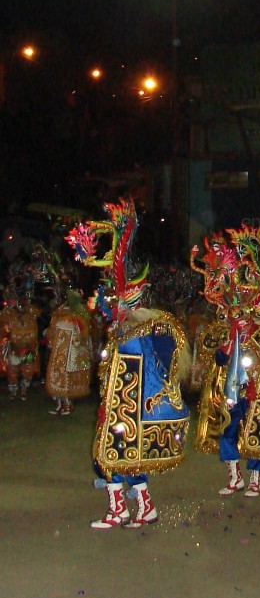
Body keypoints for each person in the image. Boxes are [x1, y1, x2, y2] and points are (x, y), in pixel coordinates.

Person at [66, 197, 191, 529]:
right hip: (123, 408)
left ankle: (119, 510)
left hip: (131, 409)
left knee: (111, 458)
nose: (105, 303)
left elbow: (149, 373)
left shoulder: (141, 332)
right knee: (123, 460)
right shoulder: (128, 330)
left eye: (113, 297)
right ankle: (142, 509)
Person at [191, 224, 260, 498]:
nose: (237, 313)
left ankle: (255, 479)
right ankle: (234, 476)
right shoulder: (226, 329)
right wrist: (227, 343)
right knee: (227, 428)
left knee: (256, 427)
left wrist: (250, 338)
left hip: (254, 385)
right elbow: (217, 356)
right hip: (230, 387)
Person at [44, 289, 93, 416]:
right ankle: (60, 405)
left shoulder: (79, 315)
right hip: (60, 350)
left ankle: (67, 404)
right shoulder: (62, 313)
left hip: (70, 352)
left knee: (66, 378)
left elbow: (84, 335)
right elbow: (52, 329)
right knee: (58, 377)